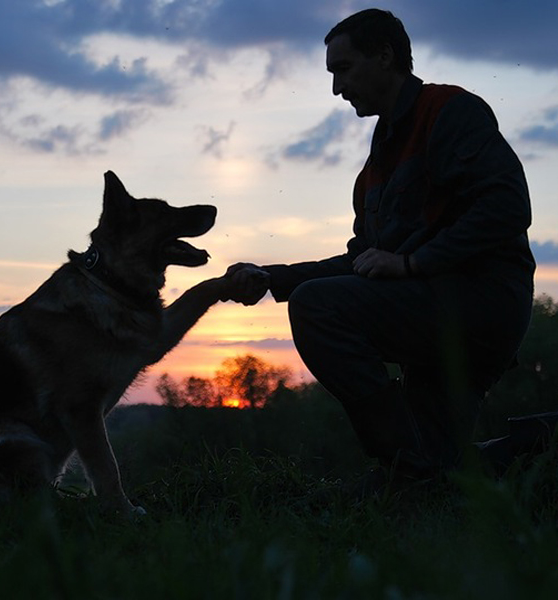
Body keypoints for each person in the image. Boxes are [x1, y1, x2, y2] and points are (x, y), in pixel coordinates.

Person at [225, 9, 535, 485]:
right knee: (442, 473)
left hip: (479, 307)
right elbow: (365, 262)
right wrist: (275, 277)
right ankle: (517, 457)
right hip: (427, 319)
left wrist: (413, 262)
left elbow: (508, 207)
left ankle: (402, 459)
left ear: (385, 57)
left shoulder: (450, 111)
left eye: (343, 70)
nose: (336, 89)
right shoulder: (373, 170)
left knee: (317, 308)